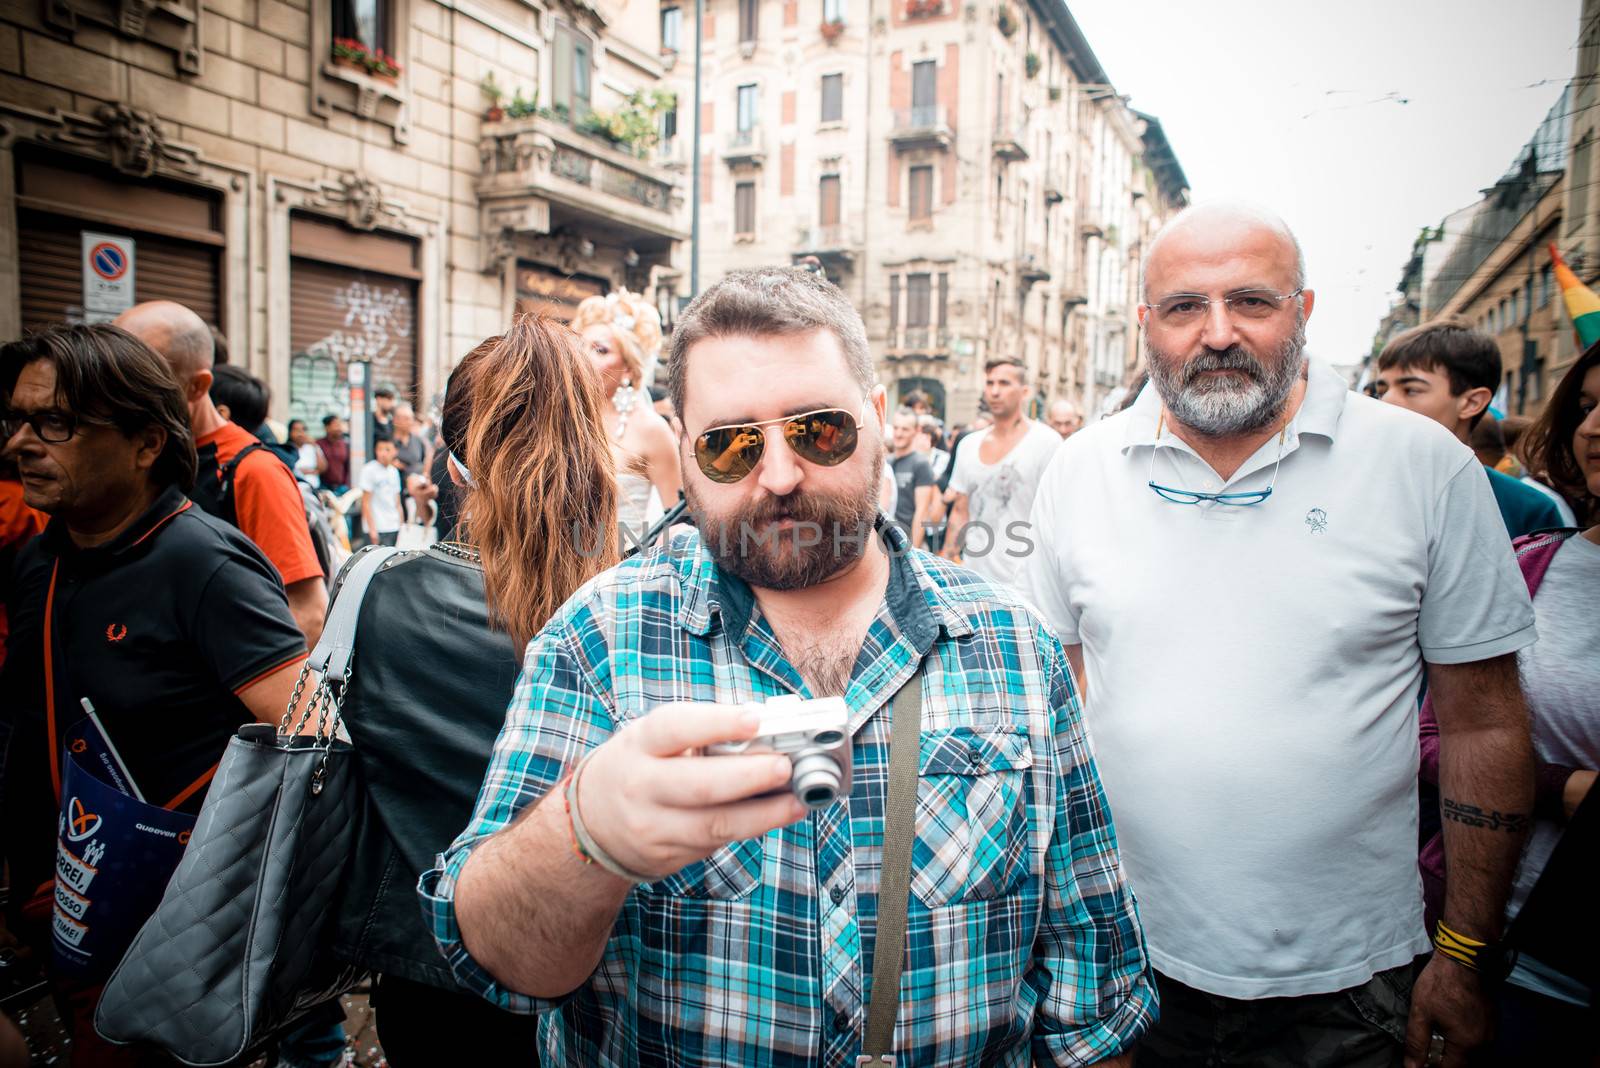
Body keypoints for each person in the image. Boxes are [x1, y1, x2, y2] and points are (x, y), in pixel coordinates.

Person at [420, 267, 1156, 1066]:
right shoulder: (600, 642)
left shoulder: (1017, 651)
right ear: (685, 449)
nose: (778, 475)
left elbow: (1094, 999)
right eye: (730, 445)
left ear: (875, 419)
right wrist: (584, 833)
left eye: (819, 430)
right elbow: (502, 968)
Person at [1024, 202, 1538, 1068]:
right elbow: (1056, 712)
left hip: (1352, 983)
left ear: (1303, 311)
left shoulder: (1423, 466)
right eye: (1185, 307)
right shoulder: (1079, 470)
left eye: (1251, 303)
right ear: (1146, 324)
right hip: (1122, 963)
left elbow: (1486, 723)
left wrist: (1465, 957)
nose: (1217, 333)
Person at [0, 324, 306, 1063]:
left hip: (169, 938)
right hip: (63, 913)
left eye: (58, 424)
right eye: (15, 420)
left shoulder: (202, 563)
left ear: (144, 443)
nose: (20, 444)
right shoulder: (39, 560)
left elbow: (307, 745)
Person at [331, 315, 619, 1062]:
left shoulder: (373, 592)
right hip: (594, 981)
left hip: (426, 973)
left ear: (453, 463)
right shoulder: (634, 609)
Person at [1418, 341, 1600, 1063]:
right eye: (1585, 406)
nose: (1594, 429)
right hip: (1506, 957)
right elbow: (1434, 731)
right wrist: (1563, 787)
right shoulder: (1532, 561)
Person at [114, 300, 328, 644]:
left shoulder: (253, 471)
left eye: (139, 380)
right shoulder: (135, 457)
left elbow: (307, 614)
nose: (118, 395)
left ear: (197, 387)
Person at [1374, 319, 1567, 537]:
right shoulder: (1355, 488)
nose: (1385, 403)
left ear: (1471, 403)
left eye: (1411, 390)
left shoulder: (1526, 509)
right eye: (1381, 391)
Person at [568, 290, 681, 539]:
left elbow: (680, 524)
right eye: (579, 347)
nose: (582, 358)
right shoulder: (565, 418)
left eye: (600, 350)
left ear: (628, 368)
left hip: (617, 567)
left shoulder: (651, 431)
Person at [941, 357, 1060, 592]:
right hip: (973, 579)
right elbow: (960, 511)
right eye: (990, 383)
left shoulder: (1046, 443)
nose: (995, 391)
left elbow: (1057, 515)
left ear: (1024, 391)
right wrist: (946, 563)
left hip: (1024, 583)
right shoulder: (968, 444)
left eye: (1004, 383)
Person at [889, 407, 936, 547]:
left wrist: (913, 550)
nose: (898, 434)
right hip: (885, 541)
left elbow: (922, 511)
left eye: (905, 429)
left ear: (916, 431)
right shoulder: (887, 461)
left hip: (907, 542)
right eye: (896, 428)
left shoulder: (920, 464)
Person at [359, 438, 404, 547]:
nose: (383, 453)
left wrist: (401, 526)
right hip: (377, 527)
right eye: (380, 449)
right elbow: (365, 502)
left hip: (393, 526)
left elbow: (397, 502)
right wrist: (372, 529)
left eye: (387, 450)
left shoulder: (394, 471)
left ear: (395, 451)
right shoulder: (369, 470)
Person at [317, 414, 351, 494]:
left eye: (340, 425)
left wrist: (347, 485)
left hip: (342, 488)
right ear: (327, 428)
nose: (339, 428)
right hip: (323, 488)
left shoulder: (345, 445)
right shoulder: (319, 444)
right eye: (336, 425)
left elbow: (348, 467)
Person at [288, 418, 326, 488]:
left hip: (314, 488)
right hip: (295, 488)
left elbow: (322, 468)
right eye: (297, 430)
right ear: (290, 432)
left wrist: (315, 446)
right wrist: (301, 472)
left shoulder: (312, 447)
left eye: (303, 430)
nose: (300, 433)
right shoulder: (287, 449)